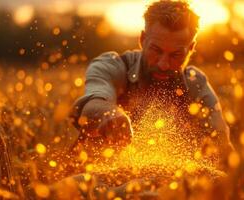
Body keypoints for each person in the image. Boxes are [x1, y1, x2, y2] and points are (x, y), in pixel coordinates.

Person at [70, 0, 233, 161]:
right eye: (156, 50)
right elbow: (92, 106)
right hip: (98, 177)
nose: (163, 64)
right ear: (142, 39)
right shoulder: (112, 66)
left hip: (170, 184)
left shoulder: (195, 84)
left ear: (191, 49)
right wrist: (110, 115)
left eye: (176, 55)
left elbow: (222, 147)